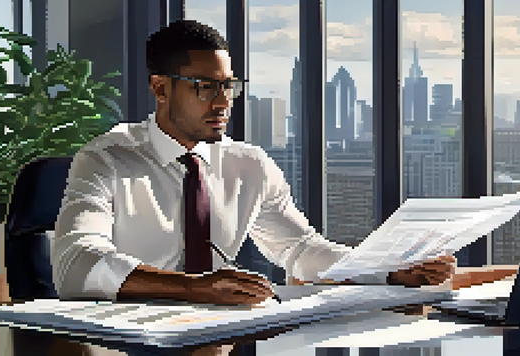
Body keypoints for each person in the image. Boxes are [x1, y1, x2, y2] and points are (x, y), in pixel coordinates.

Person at [51, 19, 455, 354]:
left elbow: (299, 249)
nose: (223, 101)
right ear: (160, 88)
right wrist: (194, 287)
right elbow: (77, 262)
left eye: (228, 86)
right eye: (205, 87)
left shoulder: (248, 163)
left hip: (218, 335)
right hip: (130, 344)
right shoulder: (106, 159)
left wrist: (387, 271)